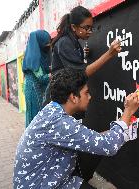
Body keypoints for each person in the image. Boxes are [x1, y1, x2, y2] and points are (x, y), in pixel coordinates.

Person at [13, 69, 139, 189]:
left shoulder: (52, 110)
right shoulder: (59, 123)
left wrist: (119, 131)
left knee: (93, 147)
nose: (90, 97)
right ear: (73, 97)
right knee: (99, 147)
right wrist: (128, 111)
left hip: (48, 178)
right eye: (86, 92)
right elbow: (109, 145)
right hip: (45, 185)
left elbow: (94, 140)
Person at [42, 5, 122, 183]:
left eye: (91, 27)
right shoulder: (64, 43)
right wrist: (109, 54)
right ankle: (72, 177)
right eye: (86, 28)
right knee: (69, 141)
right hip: (62, 100)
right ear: (73, 27)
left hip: (68, 99)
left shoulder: (73, 42)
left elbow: (75, 66)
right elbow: (81, 73)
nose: (90, 32)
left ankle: (72, 174)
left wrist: (83, 55)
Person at [22, 30, 51, 127]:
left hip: (38, 88)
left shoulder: (41, 54)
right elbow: (42, 78)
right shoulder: (33, 57)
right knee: (36, 116)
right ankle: (35, 140)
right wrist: (55, 74)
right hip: (34, 90)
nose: (48, 45)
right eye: (46, 43)